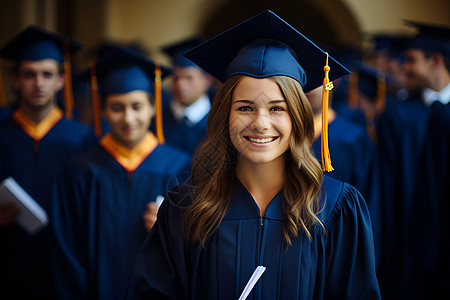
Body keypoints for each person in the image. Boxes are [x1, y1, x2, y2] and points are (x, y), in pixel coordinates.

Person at [126, 10, 381, 299]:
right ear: (225, 116)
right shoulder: (186, 208)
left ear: (297, 118)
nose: (260, 123)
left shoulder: (334, 209)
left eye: (277, 108)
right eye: (245, 107)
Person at [52, 44, 192, 300]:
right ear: (103, 110)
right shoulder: (81, 169)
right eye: (117, 108)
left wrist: (171, 230)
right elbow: (67, 248)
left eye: (137, 106)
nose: (128, 118)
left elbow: (192, 248)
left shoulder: (179, 166)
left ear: (153, 107)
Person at [0, 25, 96, 298]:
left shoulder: (82, 138)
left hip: (64, 262)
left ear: (61, 80)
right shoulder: (2, 133)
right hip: (10, 260)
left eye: (47, 74)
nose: (38, 84)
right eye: (29, 75)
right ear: (16, 80)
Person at [375, 20, 450, 300]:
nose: (403, 67)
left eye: (411, 60)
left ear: (435, 60)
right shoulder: (401, 115)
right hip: (411, 242)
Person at [159, 36, 213, 155]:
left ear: (207, 81)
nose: (180, 85)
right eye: (176, 78)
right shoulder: (158, 120)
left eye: (189, 78)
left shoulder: (219, 122)